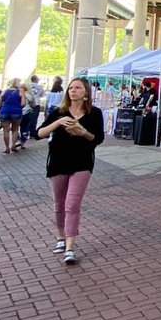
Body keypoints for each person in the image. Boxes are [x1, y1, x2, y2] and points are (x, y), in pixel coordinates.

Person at [38, 77, 105, 264]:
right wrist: (58, 123)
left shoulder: (94, 113)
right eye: (70, 88)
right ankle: (60, 238)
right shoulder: (58, 112)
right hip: (58, 162)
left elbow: (97, 139)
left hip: (82, 163)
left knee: (72, 204)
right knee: (59, 204)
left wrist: (81, 131)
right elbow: (39, 133)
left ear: (86, 93)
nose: (73, 91)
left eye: (77, 88)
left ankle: (70, 247)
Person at [0, 78, 26, 154]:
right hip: (16, 112)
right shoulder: (21, 91)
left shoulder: (4, 92)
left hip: (4, 111)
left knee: (6, 131)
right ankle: (13, 145)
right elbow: (23, 103)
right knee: (15, 129)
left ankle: (7, 148)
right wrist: (18, 106)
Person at [22, 74, 44, 143]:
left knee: (27, 119)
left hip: (27, 104)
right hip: (36, 103)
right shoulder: (40, 87)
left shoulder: (27, 85)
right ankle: (32, 133)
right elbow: (42, 95)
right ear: (36, 80)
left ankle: (26, 132)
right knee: (34, 119)